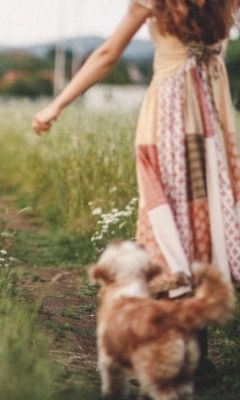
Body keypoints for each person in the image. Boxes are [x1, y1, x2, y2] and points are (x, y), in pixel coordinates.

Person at [32, 0, 240, 378]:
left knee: (167, 223)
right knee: (204, 223)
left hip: (168, 120)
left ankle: (181, 350)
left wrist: (56, 106)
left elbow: (109, 53)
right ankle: (197, 351)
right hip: (213, 117)